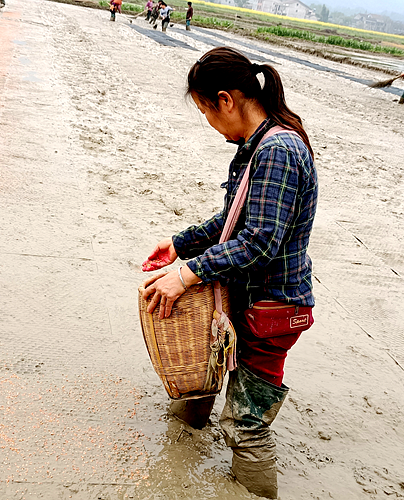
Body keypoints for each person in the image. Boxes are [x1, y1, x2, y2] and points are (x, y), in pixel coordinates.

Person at [141, 47, 317, 499]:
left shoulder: (277, 150)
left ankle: (254, 492)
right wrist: (180, 244)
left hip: (273, 307)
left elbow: (259, 242)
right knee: (198, 379)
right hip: (247, 294)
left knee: (245, 422)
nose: (209, 123)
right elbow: (235, 219)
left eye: (205, 112)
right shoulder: (258, 144)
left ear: (226, 100)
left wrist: (187, 274)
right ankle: (184, 438)